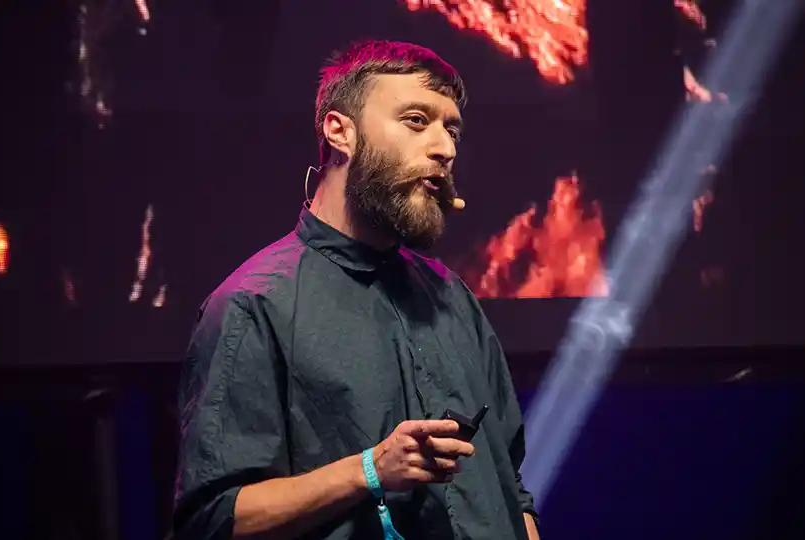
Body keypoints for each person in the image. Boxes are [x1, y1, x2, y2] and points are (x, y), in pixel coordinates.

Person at [172, 40, 540, 540]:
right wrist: (368, 470)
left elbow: (509, 487)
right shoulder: (254, 304)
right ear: (339, 131)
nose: (445, 148)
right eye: (416, 120)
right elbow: (214, 520)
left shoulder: (452, 297)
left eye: (451, 129)